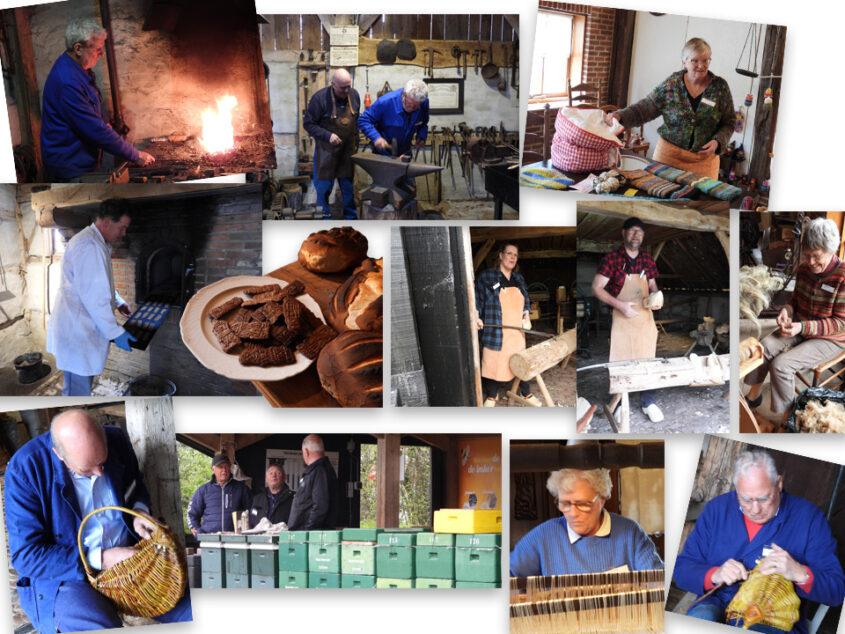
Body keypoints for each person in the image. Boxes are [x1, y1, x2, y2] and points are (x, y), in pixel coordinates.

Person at [3, 410, 191, 633]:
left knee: (190, 608)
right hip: (67, 575)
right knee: (98, 625)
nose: (99, 474)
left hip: (131, 560)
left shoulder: (116, 439)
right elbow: (26, 557)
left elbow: (135, 486)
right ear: (59, 455)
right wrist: (100, 558)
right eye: (86, 469)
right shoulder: (25, 468)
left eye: (102, 461)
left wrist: (138, 512)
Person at [674, 449, 845, 633]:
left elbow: (836, 591)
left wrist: (800, 573)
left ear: (778, 484)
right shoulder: (717, 509)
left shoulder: (809, 518)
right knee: (701, 618)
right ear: (737, 490)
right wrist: (715, 575)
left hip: (772, 616)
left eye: (764, 498)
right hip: (715, 602)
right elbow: (682, 570)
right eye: (746, 500)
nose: (755, 509)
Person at [744, 218, 845, 426]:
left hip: (831, 338)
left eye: (816, 256)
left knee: (781, 365)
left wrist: (803, 326)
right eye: (807, 255)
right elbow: (795, 300)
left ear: (831, 250)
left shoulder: (842, 276)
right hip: (802, 326)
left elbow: (841, 323)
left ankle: (787, 418)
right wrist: (786, 310)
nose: (810, 262)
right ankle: (753, 398)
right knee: (763, 347)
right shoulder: (804, 269)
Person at [41, 18, 154, 181]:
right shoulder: (67, 82)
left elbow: (92, 107)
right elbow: (94, 128)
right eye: (98, 49)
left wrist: (104, 122)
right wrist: (134, 154)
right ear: (78, 48)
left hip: (80, 160)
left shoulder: (78, 68)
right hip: (70, 167)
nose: (101, 54)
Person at [46, 199, 137, 396]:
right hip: (76, 331)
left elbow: (99, 284)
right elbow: (95, 297)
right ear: (106, 222)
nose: (124, 233)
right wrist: (115, 331)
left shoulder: (97, 242)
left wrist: (119, 301)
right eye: (122, 227)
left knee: (81, 385)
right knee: (76, 393)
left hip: (80, 327)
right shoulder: (89, 246)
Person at [609, 38, 734, 179]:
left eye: (706, 60)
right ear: (684, 62)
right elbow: (645, 107)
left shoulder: (720, 87)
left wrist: (718, 141)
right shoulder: (671, 84)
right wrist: (620, 116)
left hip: (703, 161)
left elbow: (729, 122)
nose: (702, 65)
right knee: (657, 197)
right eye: (695, 61)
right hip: (668, 157)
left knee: (699, 201)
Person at [510, 468, 663, 576]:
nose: (573, 513)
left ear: (602, 499)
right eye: (565, 504)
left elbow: (657, 583)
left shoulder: (630, 532)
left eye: (583, 504)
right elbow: (507, 576)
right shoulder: (542, 536)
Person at [591, 217, 663, 423]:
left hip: (644, 318)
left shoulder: (648, 260)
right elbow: (596, 288)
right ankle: (621, 402)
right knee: (622, 362)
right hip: (622, 317)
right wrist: (620, 305)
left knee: (648, 359)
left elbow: (652, 286)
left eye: (640, 232)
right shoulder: (611, 259)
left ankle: (648, 402)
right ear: (623, 233)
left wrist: (657, 299)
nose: (636, 235)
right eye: (632, 231)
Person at [475, 242, 541, 407]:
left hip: (516, 330)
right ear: (500, 255)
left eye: (515, 255)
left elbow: (526, 300)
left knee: (520, 360)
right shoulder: (487, 276)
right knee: (492, 361)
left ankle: (525, 392)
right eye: (509, 253)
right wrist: (476, 317)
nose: (512, 258)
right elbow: (476, 300)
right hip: (495, 329)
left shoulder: (519, 278)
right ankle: (492, 395)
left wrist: (526, 316)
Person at [303, 69, 360, 220]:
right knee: (323, 192)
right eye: (343, 87)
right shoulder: (320, 99)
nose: (347, 90)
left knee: (348, 192)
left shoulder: (354, 96)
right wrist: (327, 135)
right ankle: (325, 222)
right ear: (333, 84)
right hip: (326, 154)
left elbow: (356, 124)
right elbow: (308, 124)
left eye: (349, 86)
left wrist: (356, 144)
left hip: (347, 154)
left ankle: (352, 221)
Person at [358, 78, 429, 157]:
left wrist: (421, 136)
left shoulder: (424, 103)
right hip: (383, 153)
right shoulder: (385, 102)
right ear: (403, 94)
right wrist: (376, 137)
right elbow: (363, 120)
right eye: (409, 103)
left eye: (415, 106)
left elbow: (423, 123)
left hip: (405, 152)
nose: (411, 108)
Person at [187, 453, 252, 534]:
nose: (224, 470)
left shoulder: (242, 489)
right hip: (209, 539)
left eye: (227, 466)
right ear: (212, 469)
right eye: (220, 467)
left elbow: (251, 513)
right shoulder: (202, 490)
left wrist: (247, 534)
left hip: (235, 540)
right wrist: (198, 533)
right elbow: (191, 515)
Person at [286, 434, 338, 530]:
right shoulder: (319, 470)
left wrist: (307, 531)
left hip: (310, 537)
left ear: (306, 451)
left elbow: (320, 507)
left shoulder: (319, 471)